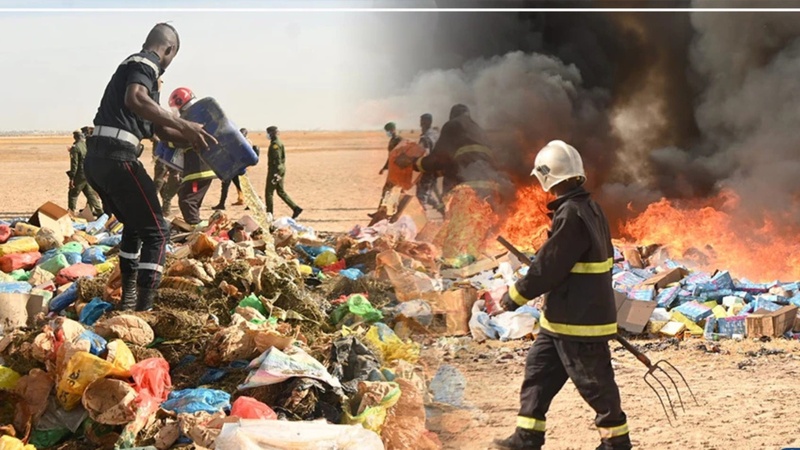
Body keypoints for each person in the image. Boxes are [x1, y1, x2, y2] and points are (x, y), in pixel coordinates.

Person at [492, 140, 631, 450]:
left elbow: (547, 269)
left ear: (546, 177)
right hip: (560, 319)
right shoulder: (590, 209)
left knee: (596, 386)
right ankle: (526, 438)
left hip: (579, 322)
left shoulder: (571, 215)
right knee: (538, 373)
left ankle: (616, 444)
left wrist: (513, 296)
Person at [84, 23, 216, 312]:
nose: (168, 63)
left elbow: (161, 130)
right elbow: (136, 100)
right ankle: (144, 309)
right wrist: (185, 123)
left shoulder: (145, 81)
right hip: (117, 158)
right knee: (158, 231)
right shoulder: (144, 63)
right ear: (168, 49)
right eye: (172, 57)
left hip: (98, 159)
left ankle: (129, 301)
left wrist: (198, 139)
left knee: (134, 223)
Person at [402, 104, 510, 264]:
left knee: (453, 239)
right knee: (476, 236)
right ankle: (472, 269)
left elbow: (437, 160)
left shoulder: (453, 126)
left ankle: (450, 273)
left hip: (467, 190)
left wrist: (413, 163)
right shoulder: (479, 131)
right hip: (491, 192)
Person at [168, 87, 217, 226]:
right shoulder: (201, 114)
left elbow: (178, 140)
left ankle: (196, 227)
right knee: (190, 198)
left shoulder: (187, 119)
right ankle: (197, 223)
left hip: (198, 169)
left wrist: (168, 139)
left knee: (187, 200)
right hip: (203, 166)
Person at [213, 127, 259, 210]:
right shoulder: (239, 141)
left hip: (235, 168)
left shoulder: (245, 143)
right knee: (232, 186)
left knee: (231, 185)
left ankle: (222, 204)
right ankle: (222, 204)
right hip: (235, 167)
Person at [265, 125, 302, 219]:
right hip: (280, 169)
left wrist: (276, 174)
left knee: (269, 192)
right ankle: (296, 208)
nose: (267, 135)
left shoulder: (275, 145)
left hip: (275, 170)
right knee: (280, 191)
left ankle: (269, 214)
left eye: (268, 133)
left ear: (272, 133)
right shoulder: (278, 142)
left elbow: (277, 159)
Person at [66, 130, 103, 217]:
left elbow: (74, 164)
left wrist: (71, 178)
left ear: (75, 137)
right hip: (88, 173)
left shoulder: (75, 147)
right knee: (90, 194)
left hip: (80, 174)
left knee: (73, 194)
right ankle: (100, 212)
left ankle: (71, 214)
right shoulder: (86, 145)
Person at [414, 113, 443, 213]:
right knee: (430, 194)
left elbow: (424, 155)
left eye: (422, 121)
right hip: (436, 169)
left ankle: (422, 221)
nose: (420, 124)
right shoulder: (435, 134)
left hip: (427, 170)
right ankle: (443, 210)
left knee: (421, 197)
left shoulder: (426, 138)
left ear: (426, 122)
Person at [374, 122, 404, 213]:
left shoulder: (399, 140)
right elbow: (390, 156)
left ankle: (383, 211)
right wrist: (384, 168)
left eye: (388, 130)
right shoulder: (392, 140)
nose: (388, 132)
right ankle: (383, 211)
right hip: (393, 169)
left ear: (393, 129)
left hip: (398, 170)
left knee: (390, 190)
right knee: (389, 190)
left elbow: (403, 155)